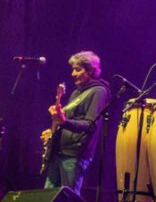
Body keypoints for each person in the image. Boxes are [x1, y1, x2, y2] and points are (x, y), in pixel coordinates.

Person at [40, 51, 111, 194]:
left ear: (91, 70)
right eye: (73, 69)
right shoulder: (76, 93)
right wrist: (54, 133)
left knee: (68, 201)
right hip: (58, 153)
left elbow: (91, 125)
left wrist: (63, 122)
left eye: (78, 69)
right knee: (47, 200)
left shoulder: (98, 92)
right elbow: (67, 121)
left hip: (73, 155)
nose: (73, 74)